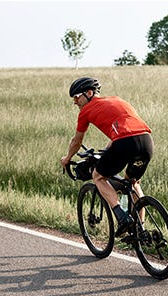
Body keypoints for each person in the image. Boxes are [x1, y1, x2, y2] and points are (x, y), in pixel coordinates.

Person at [61, 77, 153, 237]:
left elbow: (77, 141)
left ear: (89, 93)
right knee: (133, 182)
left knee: (98, 176)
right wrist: (108, 150)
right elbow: (125, 128)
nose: (75, 102)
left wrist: (67, 158)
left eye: (77, 97)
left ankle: (122, 216)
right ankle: (140, 230)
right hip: (146, 142)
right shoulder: (117, 100)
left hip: (124, 143)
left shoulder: (85, 112)